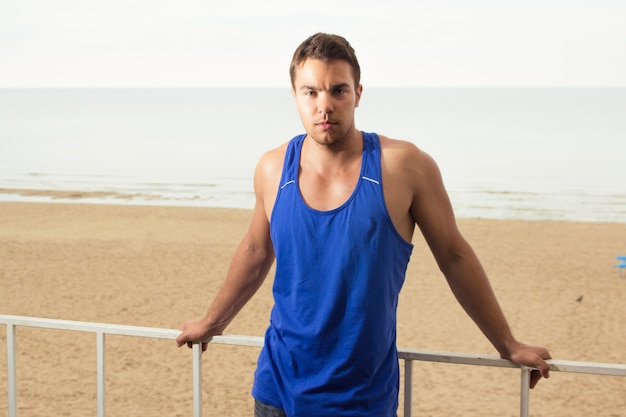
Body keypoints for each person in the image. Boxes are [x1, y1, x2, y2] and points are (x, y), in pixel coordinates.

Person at [176, 32, 551, 417]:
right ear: (295, 96)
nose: (325, 106)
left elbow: (454, 257)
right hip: (276, 391)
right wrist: (212, 322)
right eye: (311, 92)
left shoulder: (402, 166)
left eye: (338, 91)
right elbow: (256, 251)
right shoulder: (273, 168)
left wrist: (507, 343)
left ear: (357, 92)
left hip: (359, 399)